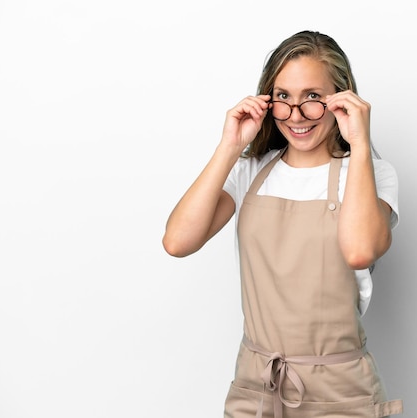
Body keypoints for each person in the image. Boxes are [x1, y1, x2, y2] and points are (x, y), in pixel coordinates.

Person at [163, 30, 403, 418]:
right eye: (283, 98)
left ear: (341, 99)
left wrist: (359, 143)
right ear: (266, 101)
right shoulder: (249, 171)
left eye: (313, 97)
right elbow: (177, 241)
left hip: (342, 392)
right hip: (257, 388)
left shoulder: (371, 174)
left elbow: (360, 251)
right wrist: (230, 145)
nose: (295, 115)